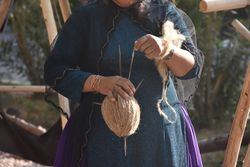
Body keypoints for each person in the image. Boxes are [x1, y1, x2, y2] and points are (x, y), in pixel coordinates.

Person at [44, 0, 204, 166]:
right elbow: (55, 70)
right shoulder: (86, 17)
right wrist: (98, 82)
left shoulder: (163, 12)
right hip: (102, 137)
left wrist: (166, 50)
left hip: (161, 135)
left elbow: (191, 70)